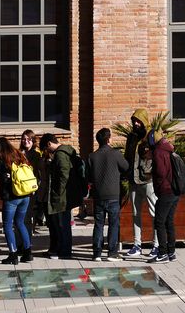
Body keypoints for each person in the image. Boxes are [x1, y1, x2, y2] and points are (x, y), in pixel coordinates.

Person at [88, 127, 129, 261]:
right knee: (113, 223)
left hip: (98, 195)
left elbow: (88, 176)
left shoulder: (92, 156)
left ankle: (97, 253)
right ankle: (112, 252)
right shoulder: (115, 154)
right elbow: (126, 167)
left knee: (98, 224)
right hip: (113, 194)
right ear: (108, 139)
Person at [122, 109, 158, 258]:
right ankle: (137, 245)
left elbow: (158, 156)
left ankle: (157, 245)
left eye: (138, 121)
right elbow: (127, 156)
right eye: (134, 121)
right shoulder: (131, 137)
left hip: (148, 180)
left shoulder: (151, 135)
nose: (136, 123)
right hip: (133, 180)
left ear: (144, 120)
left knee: (154, 212)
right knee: (135, 212)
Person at [0, 136, 32, 265]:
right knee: (20, 223)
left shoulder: (2, 161)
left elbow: (3, 180)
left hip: (11, 198)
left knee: (8, 225)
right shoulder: (19, 156)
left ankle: (13, 254)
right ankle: (27, 253)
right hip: (25, 195)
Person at [40, 132, 78, 260]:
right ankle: (63, 250)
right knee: (63, 224)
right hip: (65, 195)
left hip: (62, 197)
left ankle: (65, 251)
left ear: (49, 143)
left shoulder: (60, 154)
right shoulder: (67, 151)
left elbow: (64, 175)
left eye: (46, 148)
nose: (47, 151)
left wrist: (59, 191)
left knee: (63, 225)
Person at [148, 130, 179, 263]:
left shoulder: (158, 151)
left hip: (165, 191)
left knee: (159, 222)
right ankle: (171, 252)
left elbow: (160, 172)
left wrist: (158, 185)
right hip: (175, 190)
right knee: (169, 221)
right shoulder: (169, 148)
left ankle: (162, 253)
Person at [19, 129, 46, 232]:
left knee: (30, 210)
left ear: (33, 140)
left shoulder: (36, 154)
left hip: (31, 186)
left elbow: (38, 172)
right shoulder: (19, 153)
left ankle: (30, 229)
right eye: (24, 139)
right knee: (23, 211)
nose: (26, 141)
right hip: (20, 186)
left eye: (28, 139)